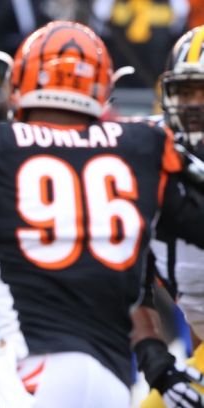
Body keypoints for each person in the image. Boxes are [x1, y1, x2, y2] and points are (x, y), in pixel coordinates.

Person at [0, 20, 204, 407]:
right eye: (187, 92)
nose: (193, 106)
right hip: (110, 378)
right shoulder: (143, 147)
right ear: (105, 86)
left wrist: (3, 263)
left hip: (30, 367)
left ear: (18, 80)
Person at [138, 24, 204, 408]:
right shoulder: (151, 159)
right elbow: (131, 280)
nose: (194, 105)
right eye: (186, 91)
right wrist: (154, 358)